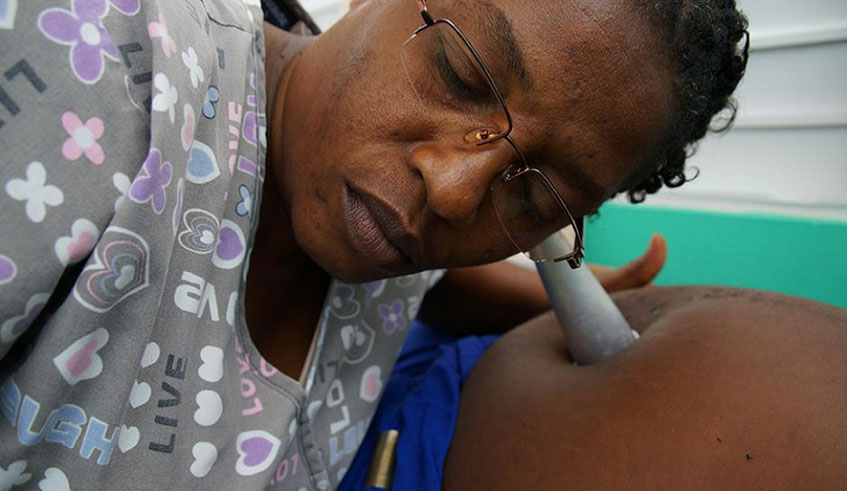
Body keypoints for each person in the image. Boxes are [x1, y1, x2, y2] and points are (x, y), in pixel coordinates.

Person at [2, 0, 838, 490]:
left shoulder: (393, 250)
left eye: (536, 191)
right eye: (461, 73)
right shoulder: (98, 72)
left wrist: (576, 289)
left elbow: (424, 287)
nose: (454, 190)